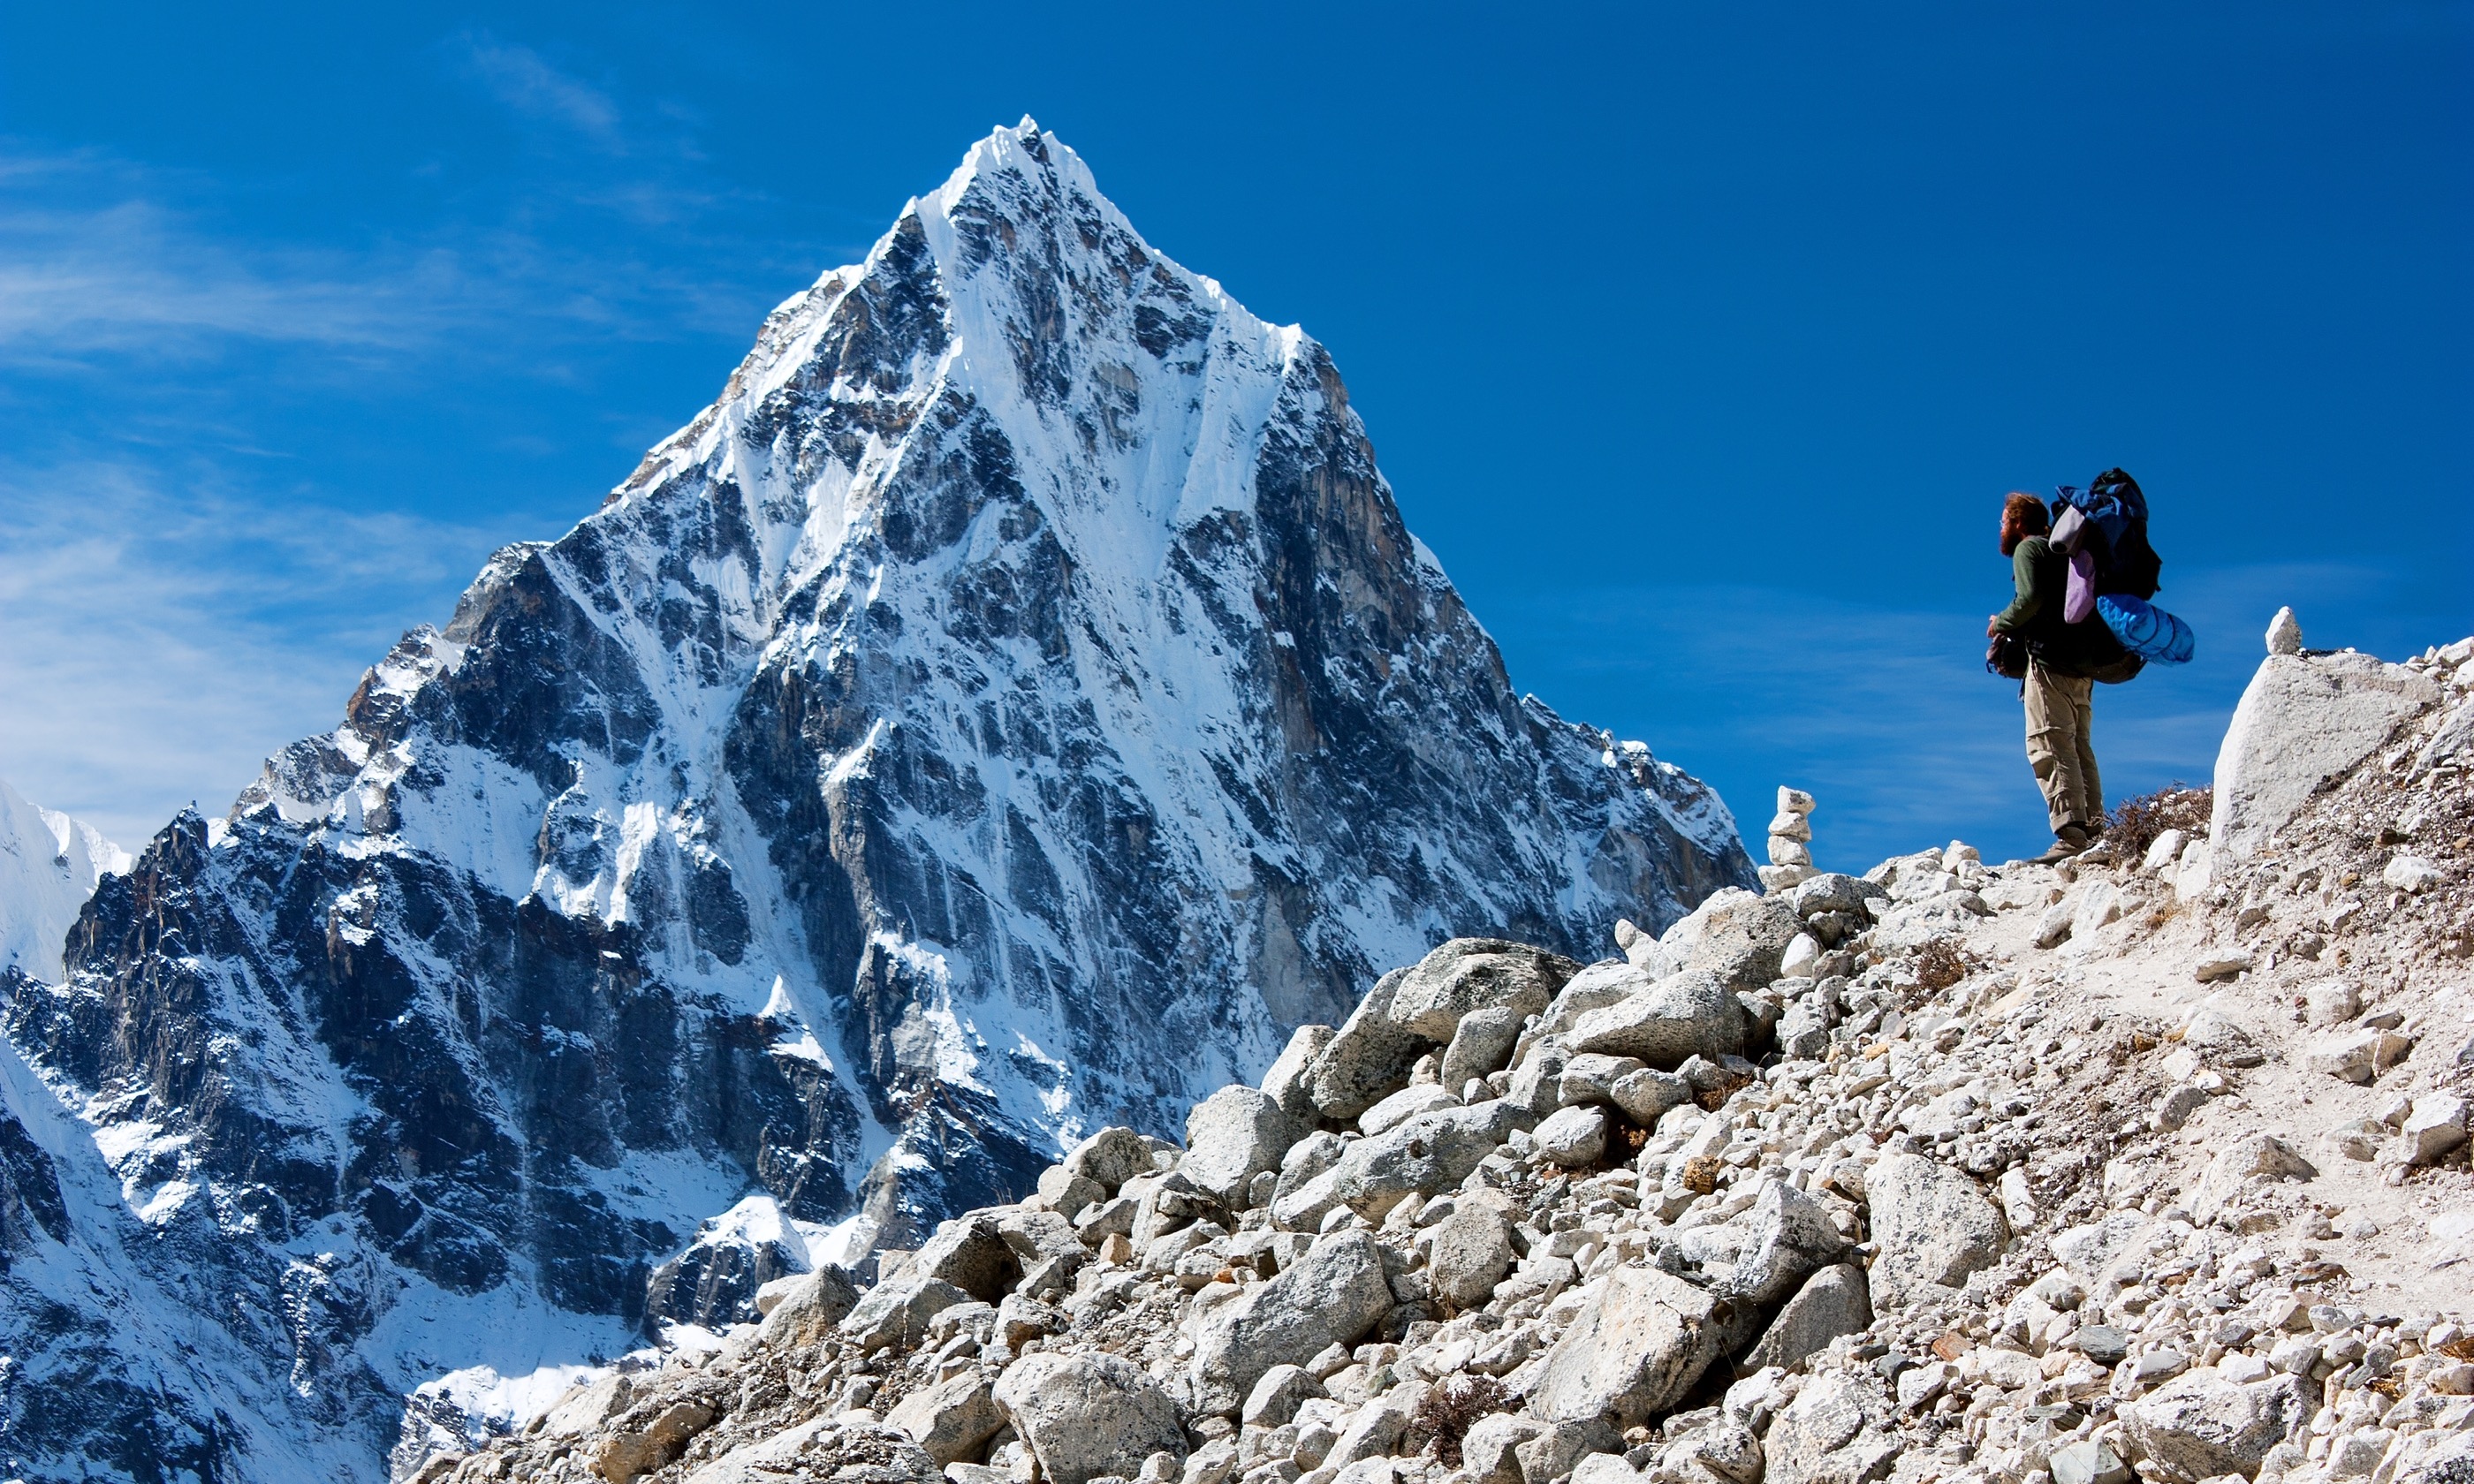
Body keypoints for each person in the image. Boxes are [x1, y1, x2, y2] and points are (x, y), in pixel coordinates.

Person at [1986, 491, 2110, 862]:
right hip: (2082, 668)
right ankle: (2096, 828)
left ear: (2019, 521)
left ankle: (2071, 835)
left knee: (2048, 743)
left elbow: (2031, 599)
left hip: (2050, 663)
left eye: (2004, 521)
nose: (2002, 528)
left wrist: (2000, 624)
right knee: (2078, 745)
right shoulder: (2064, 553)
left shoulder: (2030, 550)